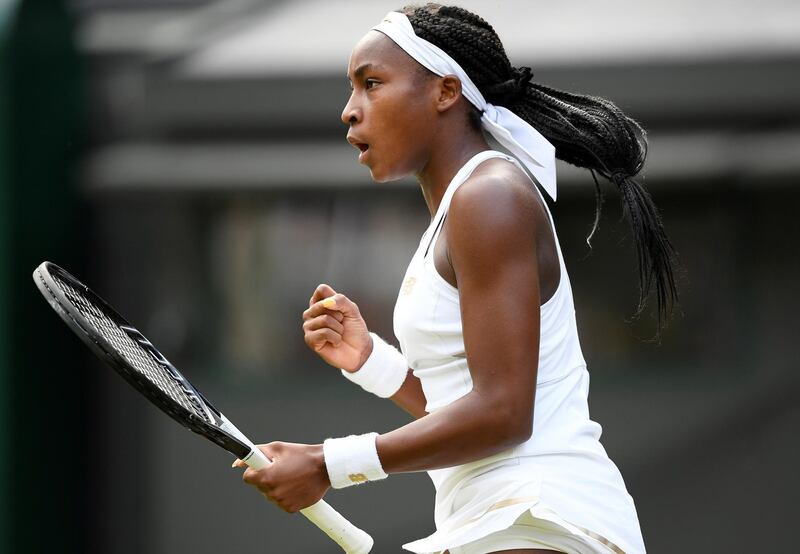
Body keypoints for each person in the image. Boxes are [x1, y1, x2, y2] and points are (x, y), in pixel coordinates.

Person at [234, 4, 677, 553]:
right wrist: (372, 361)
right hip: (500, 515)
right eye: (352, 89)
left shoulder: (489, 197)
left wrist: (329, 463)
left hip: (539, 514)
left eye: (372, 84)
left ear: (445, 92)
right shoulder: (463, 208)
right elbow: (468, 408)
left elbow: (503, 415)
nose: (350, 111)